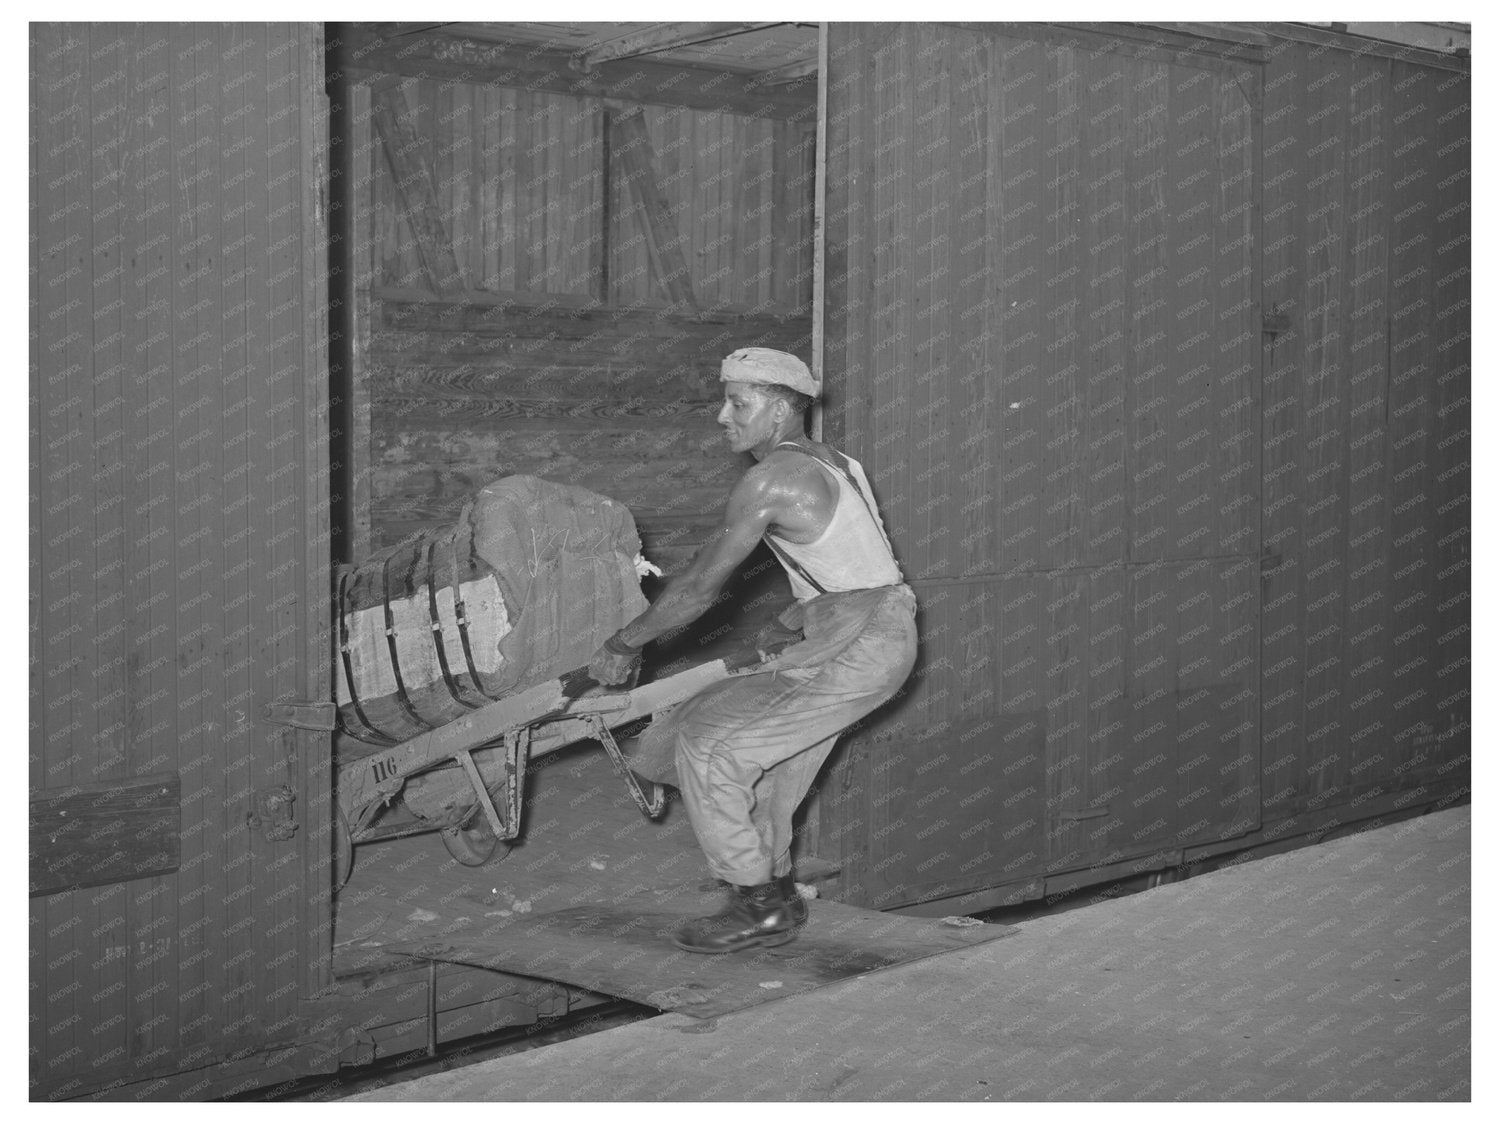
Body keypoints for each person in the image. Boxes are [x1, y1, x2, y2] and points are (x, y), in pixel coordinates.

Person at [588, 346, 918, 954]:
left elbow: (697, 588)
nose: (722, 416)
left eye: (738, 402)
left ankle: (758, 907)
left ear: (780, 409)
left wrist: (622, 642)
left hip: (861, 640)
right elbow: (859, 569)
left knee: (711, 747)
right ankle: (777, 889)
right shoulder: (837, 463)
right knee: (773, 755)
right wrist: (791, 620)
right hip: (867, 628)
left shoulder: (772, 478)